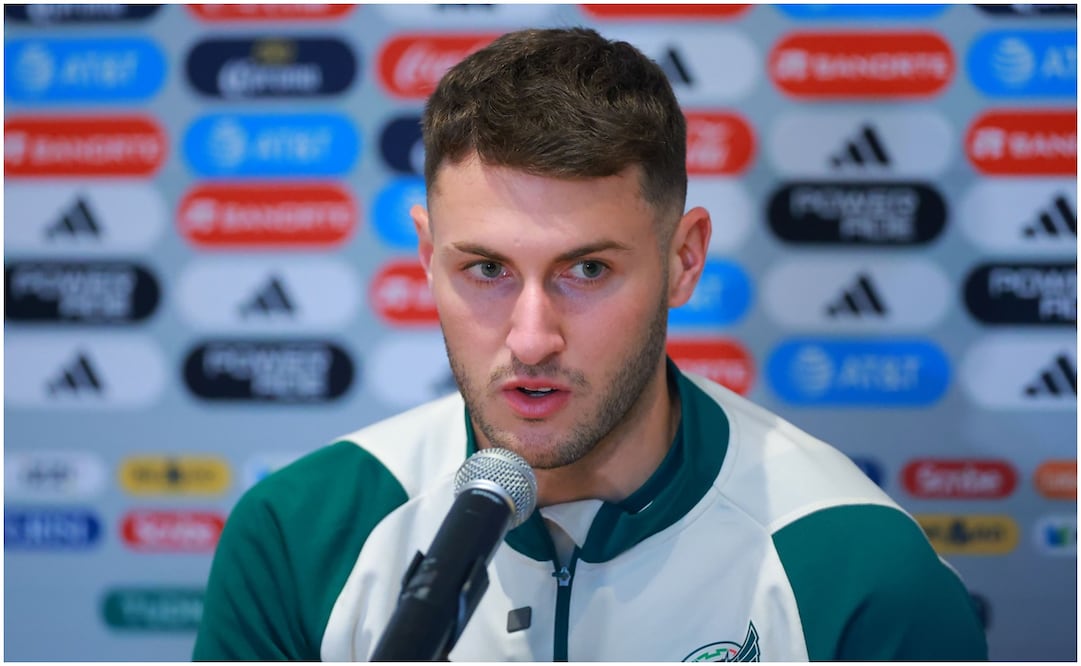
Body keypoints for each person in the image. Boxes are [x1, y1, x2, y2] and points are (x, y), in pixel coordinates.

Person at [193, 27, 987, 661]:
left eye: (587, 269)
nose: (532, 338)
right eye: (486, 269)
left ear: (683, 260)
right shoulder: (300, 535)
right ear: (426, 257)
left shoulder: (851, 562)